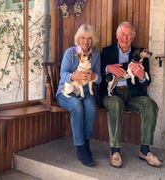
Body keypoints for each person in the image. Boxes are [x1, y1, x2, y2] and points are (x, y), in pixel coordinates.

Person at [99, 21, 161, 168]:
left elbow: (147, 81)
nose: (125, 38)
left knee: (150, 105)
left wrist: (141, 75)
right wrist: (109, 68)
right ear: (117, 36)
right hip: (112, 93)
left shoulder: (140, 53)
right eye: (123, 34)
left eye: (129, 35)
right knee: (116, 103)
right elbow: (98, 70)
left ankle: (145, 151)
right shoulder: (107, 51)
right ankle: (115, 151)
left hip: (133, 95)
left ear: (132, 37)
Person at [56, 24, 101, 167]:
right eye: (83, 38)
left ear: (92, 40)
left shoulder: (96, 55)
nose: (86, 41)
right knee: (77, 106)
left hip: (85, 92)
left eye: (89, 38)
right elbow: (62, 74)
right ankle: (80, 148)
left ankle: (86, 142)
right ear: (78, 38)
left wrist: (94, 76)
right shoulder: (70, 52)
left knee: (90, 107)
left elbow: (99, 78)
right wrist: (73, 76)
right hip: (66, 91)